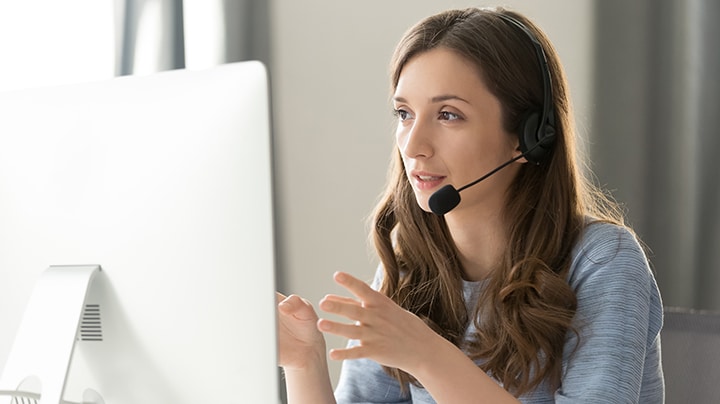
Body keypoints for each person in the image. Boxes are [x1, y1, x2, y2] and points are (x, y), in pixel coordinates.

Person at [277, 6, 664, 404]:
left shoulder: (604, 262)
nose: (412, 146)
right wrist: (303, 361)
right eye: (404, 113)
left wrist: (428, 355)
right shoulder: (410, 267)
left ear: (529, 136)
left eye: (448, 115)